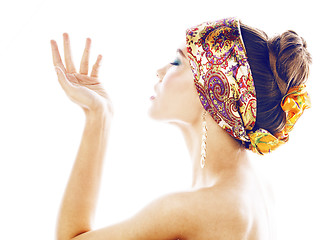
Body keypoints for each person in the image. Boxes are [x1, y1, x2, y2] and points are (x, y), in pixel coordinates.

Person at [50, 17, 311, 240]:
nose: (160, 71)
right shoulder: (258, 190)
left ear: (213, 93)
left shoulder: (195, 208)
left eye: (177, 62)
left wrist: (99, 116)